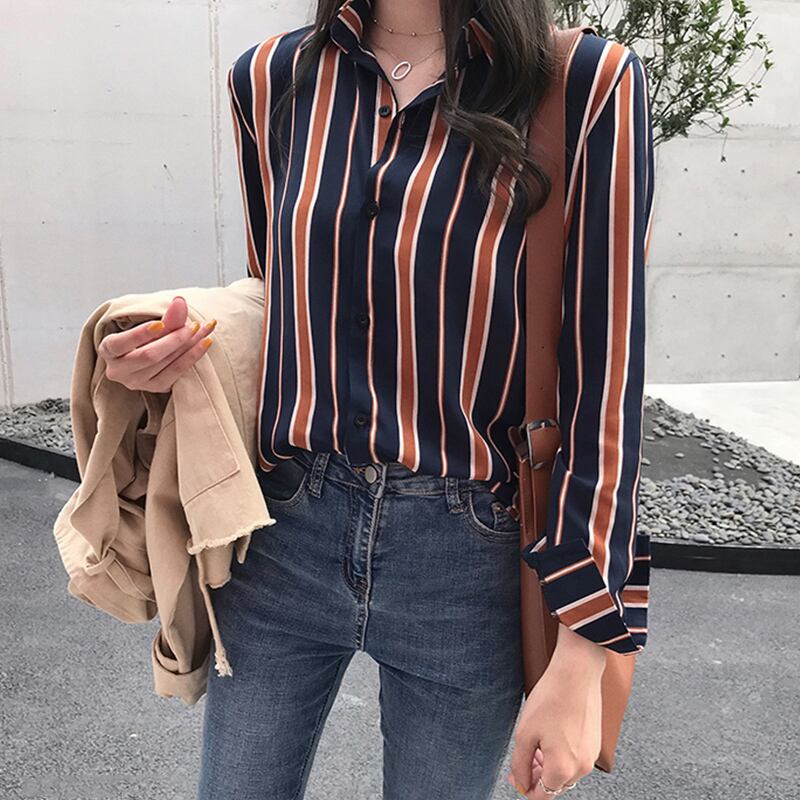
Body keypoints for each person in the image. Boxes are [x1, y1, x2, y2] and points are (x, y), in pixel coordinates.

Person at [99, 0, 654, 797]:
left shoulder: (582, 84)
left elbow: (607, 375)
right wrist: (174, 351)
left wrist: (583, 647)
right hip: (285, 529)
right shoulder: (272, 78)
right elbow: (274, 297)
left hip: (468, 553)